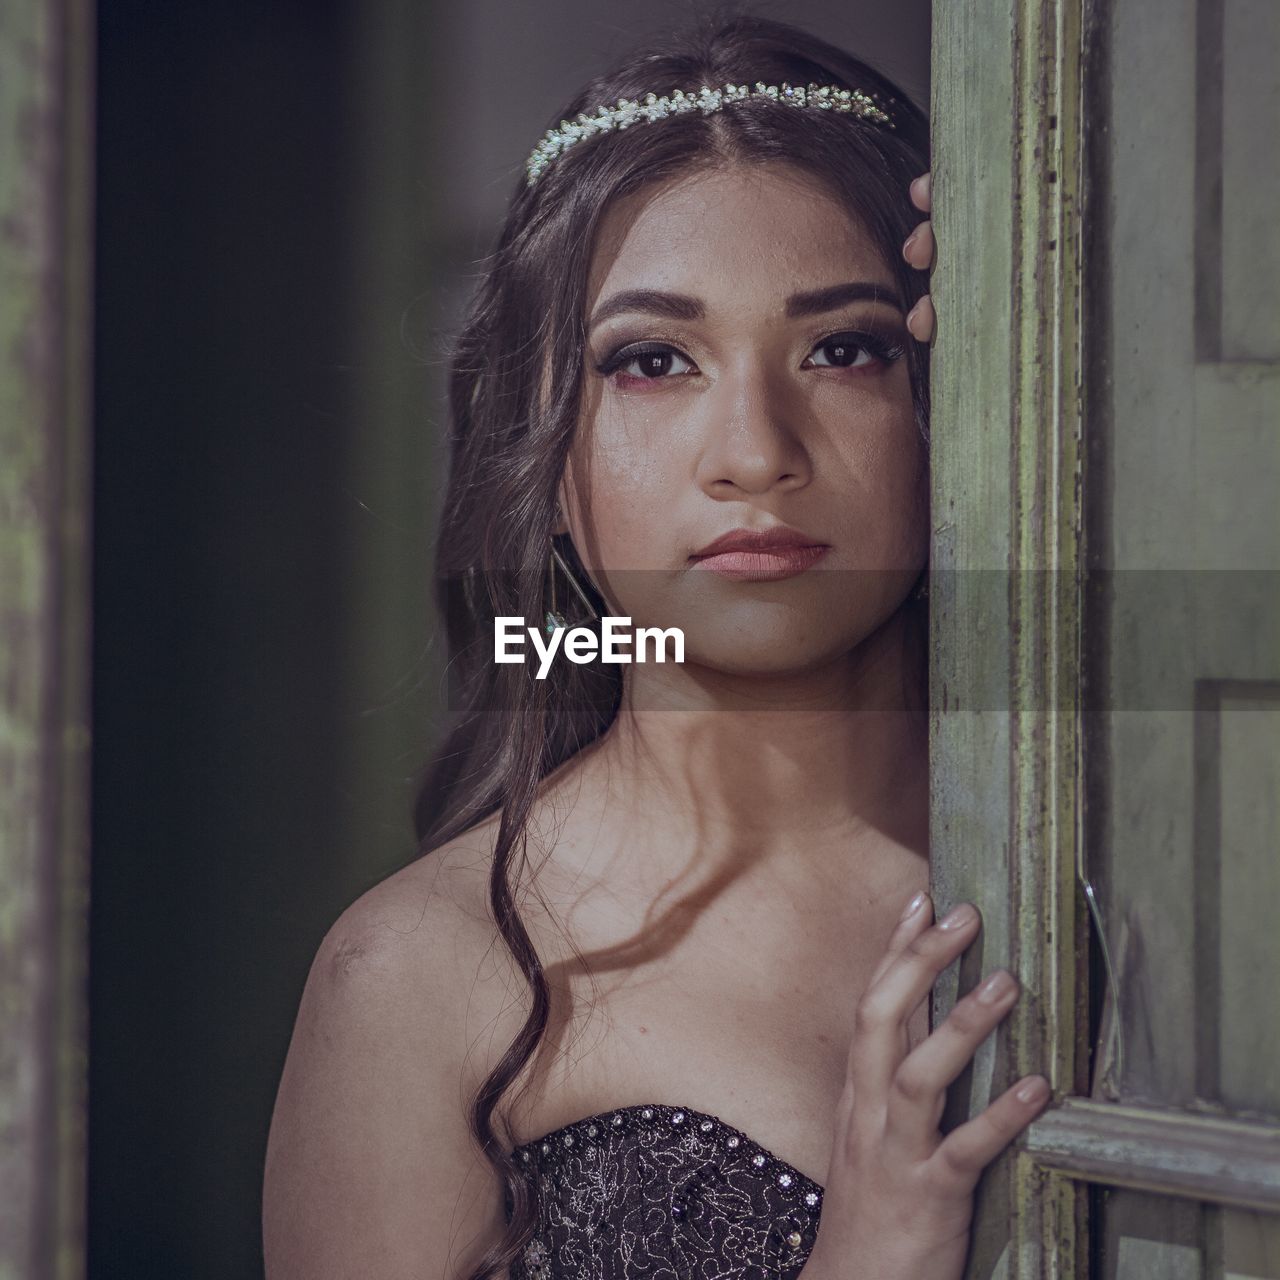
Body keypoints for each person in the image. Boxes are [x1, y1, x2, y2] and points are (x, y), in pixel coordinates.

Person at [262, 15, 1050, 1280]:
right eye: (653, 361)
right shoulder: (415, 977)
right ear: (546, 457)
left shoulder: (1137, 889)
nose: (752, 449)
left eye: (843, 349)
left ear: (947, 405)